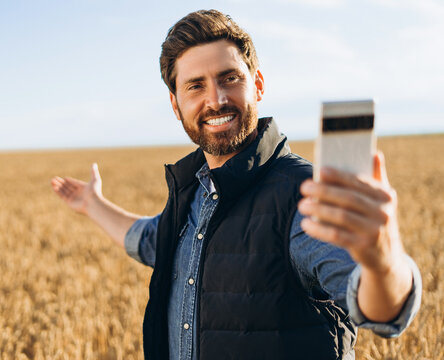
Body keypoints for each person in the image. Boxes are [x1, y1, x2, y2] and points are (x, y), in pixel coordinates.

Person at [51, 9, 421, 360]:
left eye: (230, 78)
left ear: (257, 84)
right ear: (175, 104)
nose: (217, 99)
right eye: (196, 86)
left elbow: (380, 311)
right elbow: (152, 240)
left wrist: (382, 261)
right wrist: (92, 203)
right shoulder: (195, 191)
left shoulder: (302, 194)